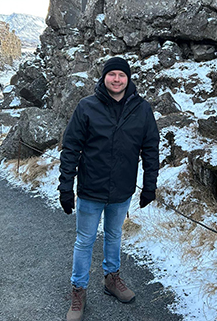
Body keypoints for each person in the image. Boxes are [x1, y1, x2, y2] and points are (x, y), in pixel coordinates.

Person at [58, 57, 160, 321]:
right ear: (104, 77)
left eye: (121, 75)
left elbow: (150, 149)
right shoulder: (87, 107)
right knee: (85, 241)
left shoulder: (142, 109)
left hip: (122, 190)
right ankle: (78, 291)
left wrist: (150, 186)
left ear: (128, 78)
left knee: (114, 236)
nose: (117, 79)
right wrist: (66, 187)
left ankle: (111, 279)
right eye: (111, 74)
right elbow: (70, 148)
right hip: (91, 189)